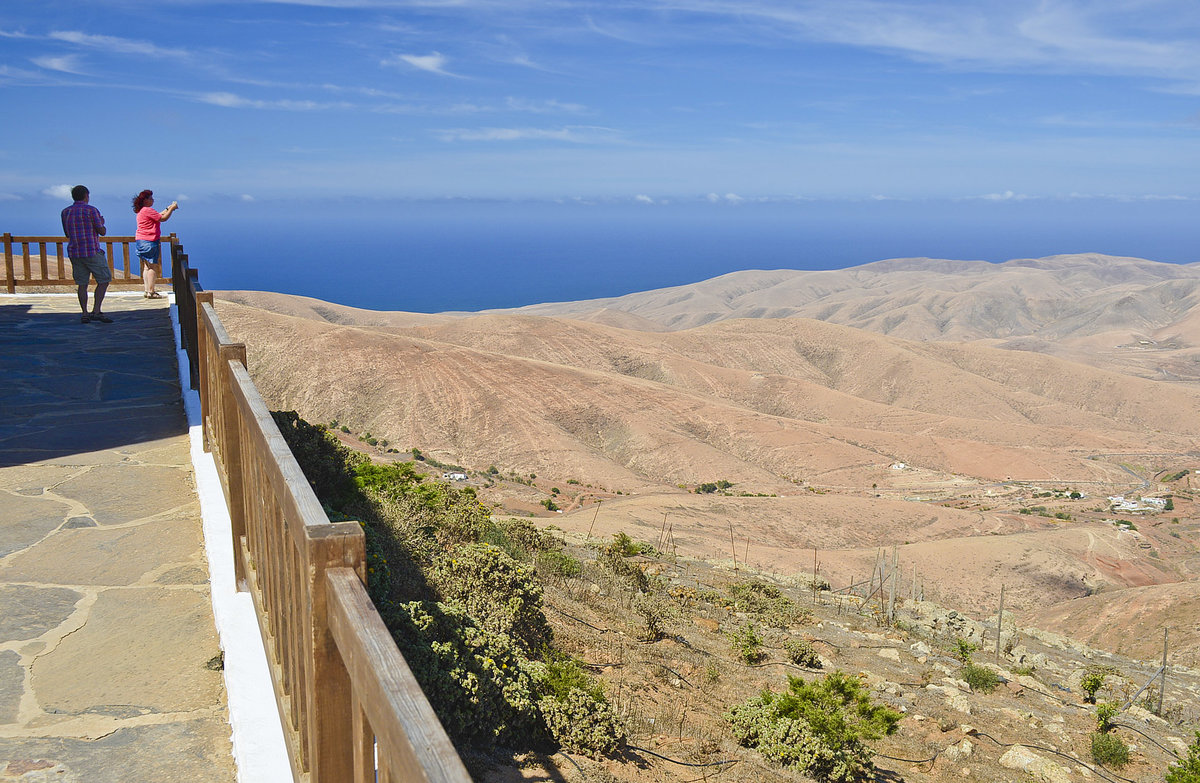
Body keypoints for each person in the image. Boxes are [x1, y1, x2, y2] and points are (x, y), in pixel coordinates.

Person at [60, 184, 111, 324]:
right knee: (104, 280)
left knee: (82, 284)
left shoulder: (65, 212)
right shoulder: (91, 210)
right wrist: (101, 222)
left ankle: (84, 313)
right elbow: (102, 231)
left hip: (75, 252)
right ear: (86, 195)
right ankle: (96, 311)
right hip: (91, 251)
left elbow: (67, 233)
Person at [132, 189, 178, 299]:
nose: (153, 200)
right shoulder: (147, 210)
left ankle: (147, 290)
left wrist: (167, 208)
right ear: (146, 200)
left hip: (141, 241)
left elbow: (158, 215)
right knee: (152, 267)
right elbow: (163, 218)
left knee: (146, 267)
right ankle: (151, 292)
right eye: (151, 198)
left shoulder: (142, 211)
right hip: (149, 241)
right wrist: (172, 209)